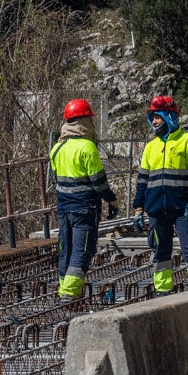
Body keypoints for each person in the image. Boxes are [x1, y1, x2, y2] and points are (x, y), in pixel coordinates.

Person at [132, 95, 188, 295]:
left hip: (182, 209)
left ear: (170, 117)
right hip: (157, 209)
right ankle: (162, 292)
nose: (155, 122)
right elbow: (142, 181)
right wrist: (138, 208)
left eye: (158, 117)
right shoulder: (151, 147)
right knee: (160, 251)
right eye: (153, 118)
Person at [49, 98, 120, 300]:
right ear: (83, 121)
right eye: (90, 119)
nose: (93, 124)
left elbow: (58, 180)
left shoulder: (57, 148)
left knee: (66, 249)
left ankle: (65, 289)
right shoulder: (87, 148)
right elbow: (99, 182)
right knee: (82, 251)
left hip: (64, 210)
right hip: (85, 209)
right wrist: (111, 200)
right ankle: (69, 295)